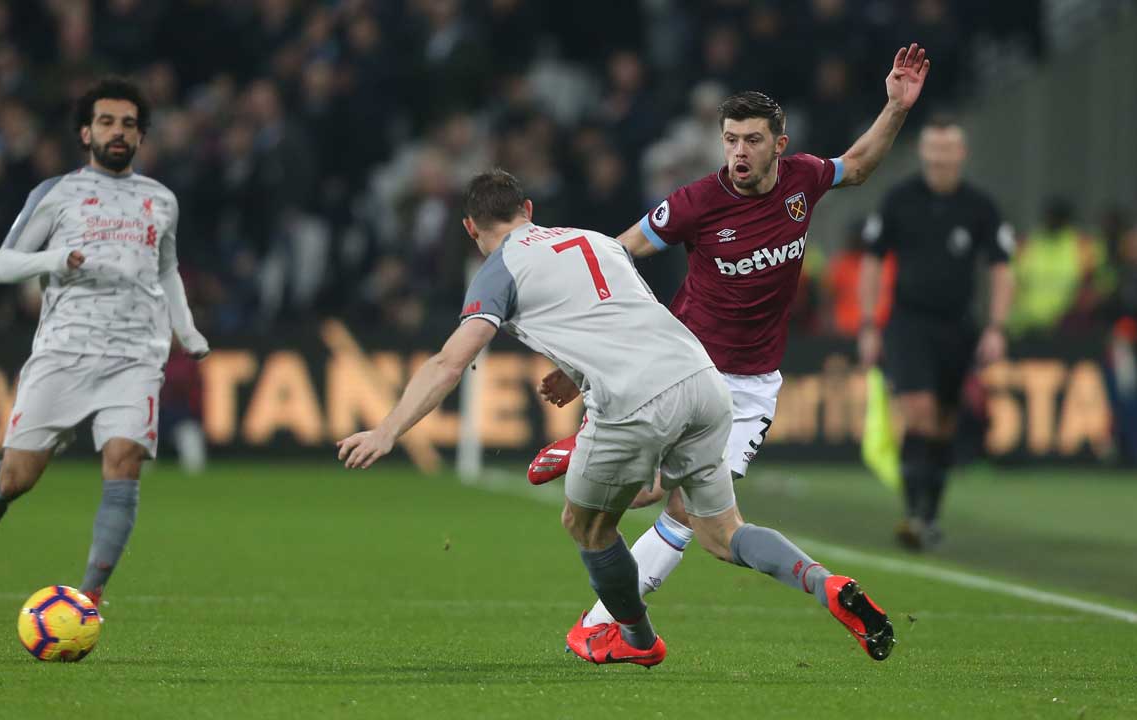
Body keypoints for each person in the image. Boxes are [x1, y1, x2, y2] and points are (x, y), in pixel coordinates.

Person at [337, 170, 895, 667]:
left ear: (469, 228)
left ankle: (635, 636)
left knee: (586, 525)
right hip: (702, 380)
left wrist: (388, 429)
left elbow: (449, 362)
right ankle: (826, 583)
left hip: (634, 404)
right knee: (724, 534)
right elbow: (619, 322)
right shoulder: (596, 241)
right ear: (529, 210)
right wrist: (576, 371)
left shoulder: (497, 270)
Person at [531, 45, 930, 628]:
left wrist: (895, 107)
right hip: (682, 369)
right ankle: (602, 616)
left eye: (752, 140)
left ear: (779, 145)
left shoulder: (804, 181)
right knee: (654, 496)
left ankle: (604, 620)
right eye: (731, 140)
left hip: (750, 388)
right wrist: (582, 352)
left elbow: (860, 164)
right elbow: (619, 252)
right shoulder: (697, 202)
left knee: (696, 520)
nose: (739, 152)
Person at [0, 78, 210, 607]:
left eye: (129, 124)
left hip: (137, 354)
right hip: (63, 352)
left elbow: (167, 270)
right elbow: (2, 265)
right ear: (86, 131)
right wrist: (53, 260)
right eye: (108, 122)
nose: (118, 132)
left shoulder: (161, 200)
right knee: (20, 475)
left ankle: (88, 598)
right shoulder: (55, 193)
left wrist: (186, 330)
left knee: (125, 460)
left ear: (140, 137)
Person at [859, 116, 1013, 550]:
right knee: (920, 410)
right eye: (933, 150)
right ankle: (913, 515)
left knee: (945, 423)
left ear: (960, 153)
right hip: (908, 323)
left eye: (948, 150)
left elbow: (1002, 268)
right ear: (924, 153)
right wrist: (869, 324)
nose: (940, 159)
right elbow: (872, 261)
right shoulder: (899, 200)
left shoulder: (980, 206)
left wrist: (996, 327)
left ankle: (929, 515)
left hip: (958, 327)